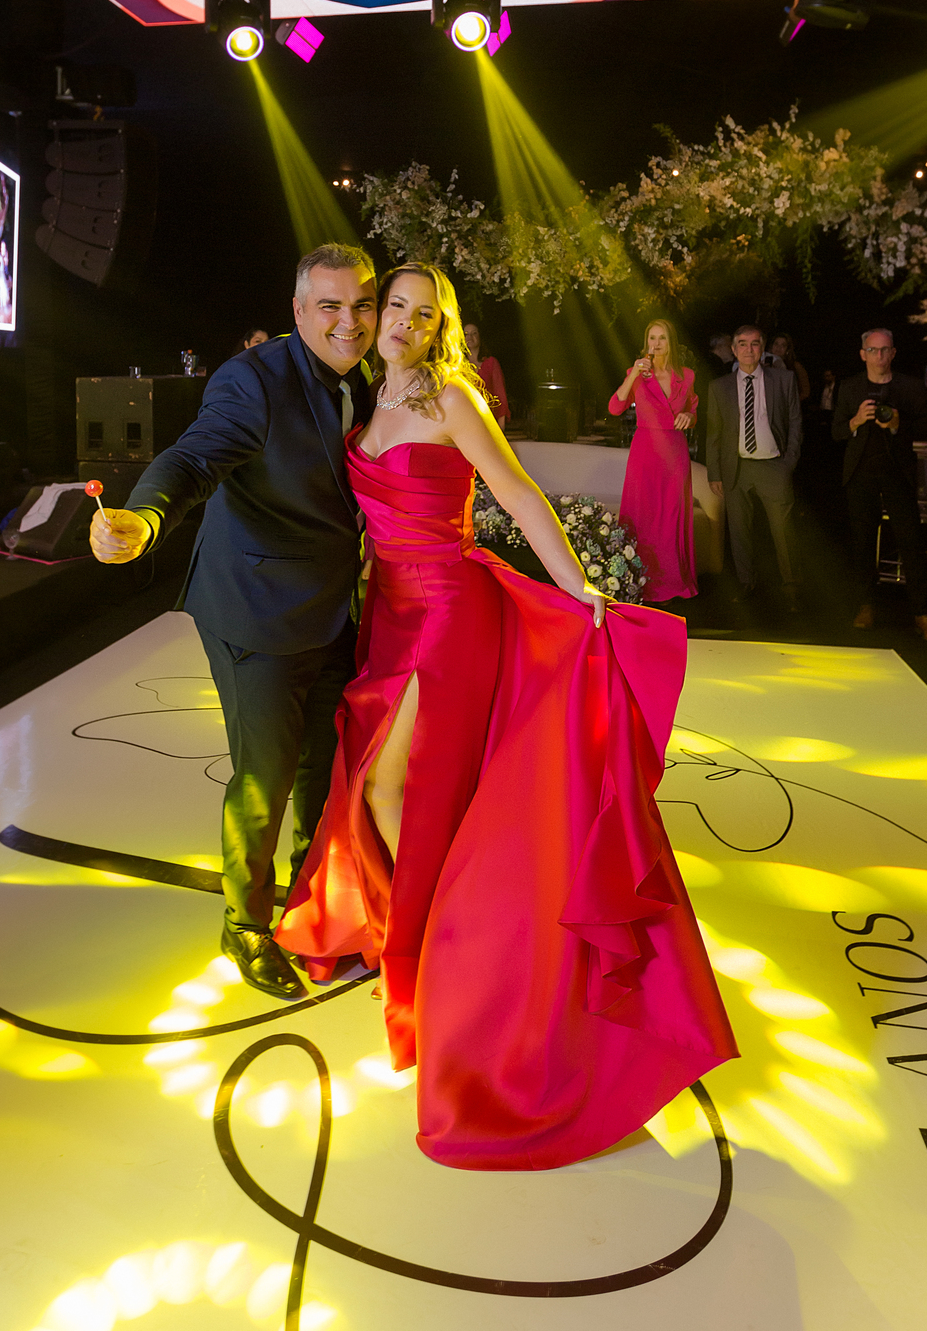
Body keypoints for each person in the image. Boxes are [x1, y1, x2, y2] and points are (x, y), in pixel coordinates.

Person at [277, 263, 737, 1172]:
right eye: (393, 307)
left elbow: (519, 495)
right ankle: (430, 938)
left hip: (448, 612)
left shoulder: (453, 397)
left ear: (440, 325)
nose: (403, 322)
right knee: (403, 789)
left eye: (422, 313)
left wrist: (581, 588)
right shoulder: (365, 397)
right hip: (389, 612)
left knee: (392, 788)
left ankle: (449, 953)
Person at [89, 244, 377, 1000]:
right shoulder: (253, 381)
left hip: (334, 606)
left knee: (325, 766)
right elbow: (191, 460)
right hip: (256, 608)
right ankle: (244, 924)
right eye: (329, 306)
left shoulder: (362, 374)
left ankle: (314, 901)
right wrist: (146, 519)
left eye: (362, 305)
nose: (349, 322)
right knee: (264, 776)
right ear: (298, 311)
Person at [833, 328, 927, 642]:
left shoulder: (910, 386)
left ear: (893, 353)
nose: (879, 356)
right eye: (873, 350)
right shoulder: (850, 387)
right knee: (863, 543)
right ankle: (865, 605)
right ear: (862, 354)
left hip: (898, 473)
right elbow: (837, 432)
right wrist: (856, 420)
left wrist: (897, 424)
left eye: (884, 350)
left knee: (911, 542)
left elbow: (925, 429)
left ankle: (922, 613)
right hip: (860, 473)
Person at [706, 324, 802, 608]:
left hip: (773, 465)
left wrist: (788, 463)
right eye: (743, 344)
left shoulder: (783, 379)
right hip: (736, 467)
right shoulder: (719, 386)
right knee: (739, 531)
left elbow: (795, 422)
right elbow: (713, 433)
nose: (749, 350)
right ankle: (746, 584)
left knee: (783, 531)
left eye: (755, 344)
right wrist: (714, 473)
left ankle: (791, 586)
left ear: (763, 348)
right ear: (734, 350)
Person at [607, 319, 697, 601]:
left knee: (671, 516)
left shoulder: (687, 376)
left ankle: (671, 581)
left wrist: (689, 416)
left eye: (662, 338)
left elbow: (692, 410)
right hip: (645, 451)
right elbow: (615, 407)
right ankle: (638, 580)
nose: (656, 344)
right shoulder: (636, 374)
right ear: (646, 343)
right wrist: (634, 373)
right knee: (642, 516)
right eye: (652, 338)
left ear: (671, 343)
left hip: (674, 453)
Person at [462, 321, 509, 427]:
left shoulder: (491, 363)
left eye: (474, 333)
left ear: (480, 336)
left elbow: (500, 394)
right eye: (466, 334)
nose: (469, 337)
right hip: (463, 421)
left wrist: (501, 427)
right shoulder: (457, 365)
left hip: (487, 421)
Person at [768, 332, 810, 403]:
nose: (778, 348)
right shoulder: (765, 364)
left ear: (787, 349)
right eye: (776, 344)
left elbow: (805, 391)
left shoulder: (795, 366)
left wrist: (791, 403)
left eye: (783, 345)